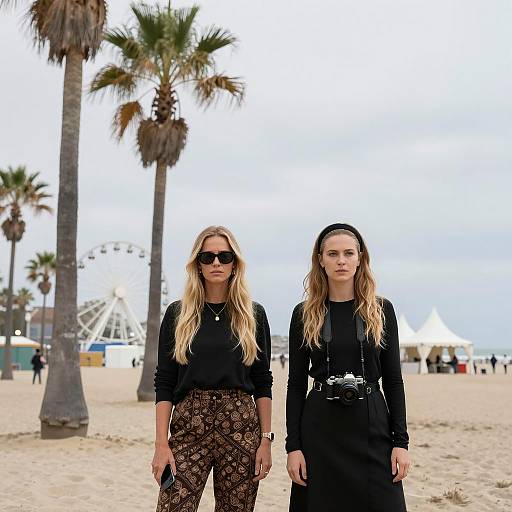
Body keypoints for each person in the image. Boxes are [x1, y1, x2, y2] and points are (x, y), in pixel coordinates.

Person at [286, 223, 410, 512]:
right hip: (320, 430)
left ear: (360, 258)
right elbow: (295, 384)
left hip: (372, 426)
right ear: (320, 260)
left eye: (348, 253)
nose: (341, 261)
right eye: (332, 254)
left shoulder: (381, 310)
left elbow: (393, 380)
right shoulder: (304, 314)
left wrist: (400, 442)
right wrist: (294, 447)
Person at [153, 226, 274, 512]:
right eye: (207, 257)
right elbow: (165, 382)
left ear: (235, 264)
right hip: (189, 423)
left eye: (224, 256)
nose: (216, 263)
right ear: (197, 264)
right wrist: (161, 444)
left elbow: (263, 382)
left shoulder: (253, 314)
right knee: (173, 505)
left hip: (241, 425)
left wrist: (266, 441)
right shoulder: (177, 314)